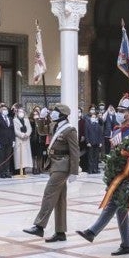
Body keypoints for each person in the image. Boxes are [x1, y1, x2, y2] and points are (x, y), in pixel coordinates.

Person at [76, 96, 129, 255]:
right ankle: (126, 245)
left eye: (123, 111)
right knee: (120, 210)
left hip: (127, 175)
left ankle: (92, 231)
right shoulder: (116, 130)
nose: (119, 113)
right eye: (118, 111)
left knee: (113, 204)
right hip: (116, 174)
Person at [23, 104, 79, 242]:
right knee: (60, 199)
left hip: (62, 166)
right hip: (54, 164)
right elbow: (42, 131)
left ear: (62, 115)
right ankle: (60, 232)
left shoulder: (70, 130)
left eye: (55, 111)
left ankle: (39, 226)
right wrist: (41, 118)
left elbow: (75, 151)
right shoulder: (55, 126)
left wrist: (74, 171)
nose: (53, 113)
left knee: (49, 193)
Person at [0, 103, 15, 179]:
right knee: (1, 157)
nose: (5, 111)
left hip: (9, 141)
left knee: (7, 157)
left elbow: (12, 130)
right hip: (1, 141)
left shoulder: (10, 118)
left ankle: (7, 171)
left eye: (6, 109)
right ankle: (2, 172)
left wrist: (13, 140)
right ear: (0, 110)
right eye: (3, 109)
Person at [13, 107, 33, 175]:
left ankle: (24, 169)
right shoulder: (14, 120)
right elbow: (15, 130)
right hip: (19, 140)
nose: (21, 113)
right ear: (17, 113)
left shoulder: (26, 120)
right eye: (19, 112)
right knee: (18, 156)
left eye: (22, 112)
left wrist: (27, 134)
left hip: (26, 140)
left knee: (25, 156)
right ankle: (18, 170)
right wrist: (22, 135)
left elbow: (30, 128)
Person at [29, 106, 46, 175]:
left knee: (40, 155)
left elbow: (43, 129)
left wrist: (39, 121)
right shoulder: (30, 121)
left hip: (40, 140)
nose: (36, 115)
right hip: (33, 140)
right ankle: (34, 168)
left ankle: (39, 168)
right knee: (34, 155)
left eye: (37, 113)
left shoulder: (41, 121)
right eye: (34, 113)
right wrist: (35, 121)